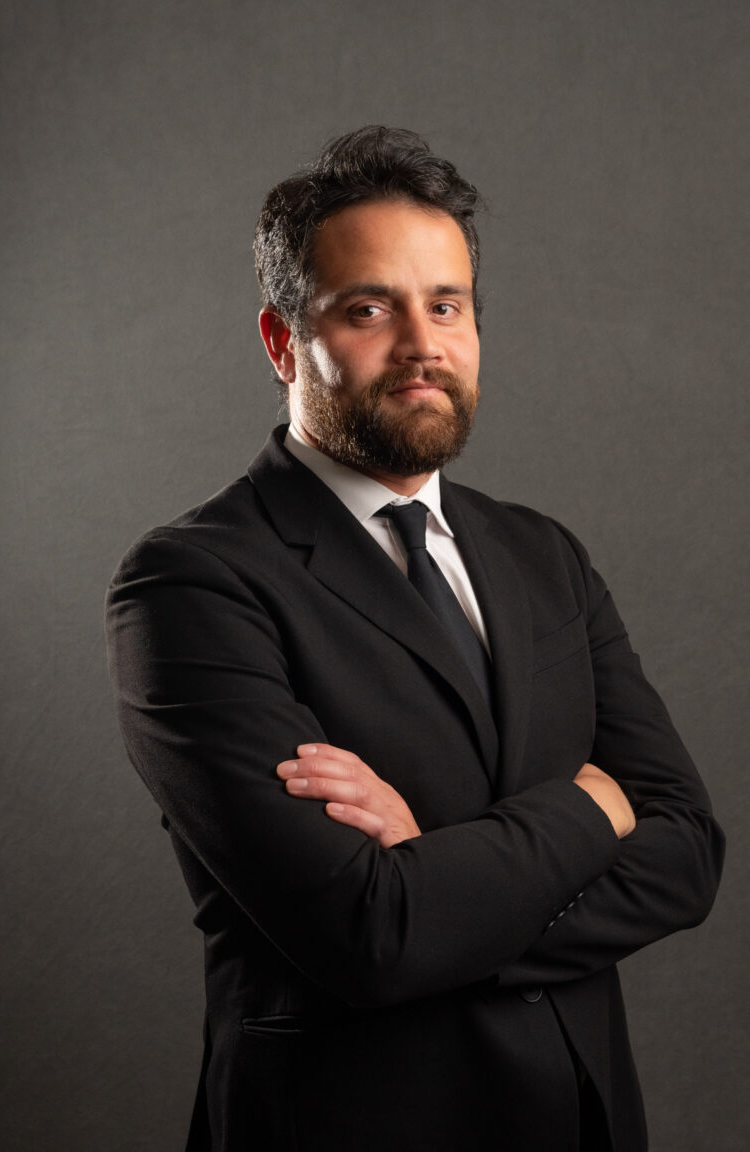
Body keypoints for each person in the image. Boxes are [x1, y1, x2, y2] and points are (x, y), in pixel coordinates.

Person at [105, 126, 724, 1152]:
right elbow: (372, 935)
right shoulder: (191, 583)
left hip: (580, 1121)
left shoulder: (543, 555)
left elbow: (687, 852)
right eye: (368, 309)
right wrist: (592, 806)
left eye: (446, 305)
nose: (422, 344)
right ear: (281, 341)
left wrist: (441, 883)